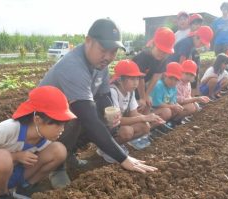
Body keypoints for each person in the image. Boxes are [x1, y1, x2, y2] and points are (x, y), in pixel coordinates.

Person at [39, 18, 158, 188]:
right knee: (82, 117)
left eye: (113, 52)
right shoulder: (73, 66)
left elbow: (103, 96)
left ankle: (69, 153)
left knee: (99, 117)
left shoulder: (100, 65)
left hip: (66, 113)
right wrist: (122, 158)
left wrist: (113, 112)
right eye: (103, 50)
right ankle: (56, 168)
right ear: (88, 41)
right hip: (42, 121)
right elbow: (88, 117)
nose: (108, 57)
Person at [0, 86, 77, 199]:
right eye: (57, 124)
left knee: (59, 150)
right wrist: (16, 156)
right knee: (2, 157)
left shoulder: (47, 137)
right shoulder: (8, 129)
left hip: (17, 174)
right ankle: (2, 195)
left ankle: (25, 187)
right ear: (37, 119)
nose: (62, 129)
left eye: (63, 124)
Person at [106, 59, 165, 152]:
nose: (136, 82)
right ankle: (107, 149)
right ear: (120, 80)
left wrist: (150, 117)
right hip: (108, 128)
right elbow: (117, 120)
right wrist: (143, 118)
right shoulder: (112, 92)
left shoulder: (130, 92)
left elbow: (134, 113)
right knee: (127, 131)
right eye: (132, 79)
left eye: (137, 78)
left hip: (117, 126)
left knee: (145, 126)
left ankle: (119, 144)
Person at [132, 27, 176, 114]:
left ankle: (146, 123)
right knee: (140, 105)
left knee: (148, 104)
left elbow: (155, 78)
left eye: (165, 52)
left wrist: (146, 95)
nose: (162, 54)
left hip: (141, 85)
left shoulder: (163, 60)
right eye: (160, 50)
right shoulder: (144, 56)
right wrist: (142, 98)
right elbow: (140, 79)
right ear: (153, 44)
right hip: (131, 84)